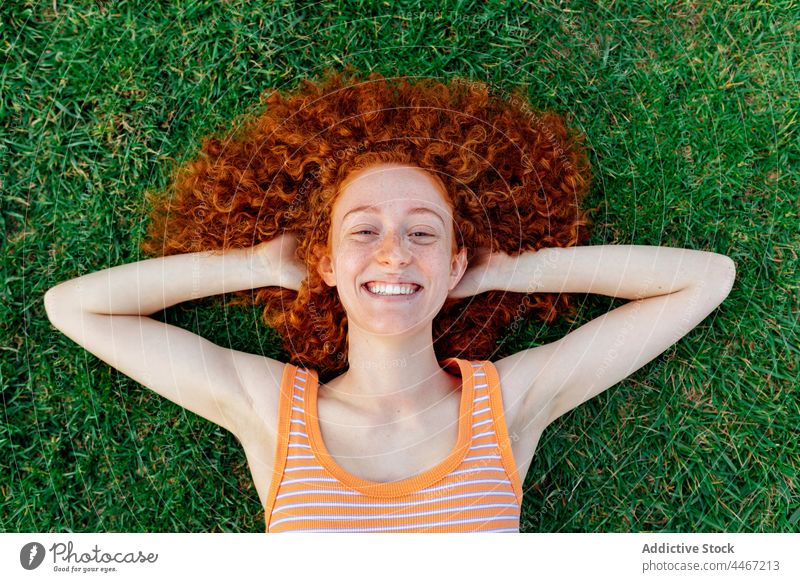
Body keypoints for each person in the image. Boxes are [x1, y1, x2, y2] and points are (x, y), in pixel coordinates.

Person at [43, 68, 736, 532]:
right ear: (326, 259)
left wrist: (509, 271)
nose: (394, 253)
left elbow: (704, 279)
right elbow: (74, 309)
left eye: (424, 234)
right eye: (364, 231)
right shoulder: (271, 410)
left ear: (454, 260)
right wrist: (255, 263)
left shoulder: (509, 404)